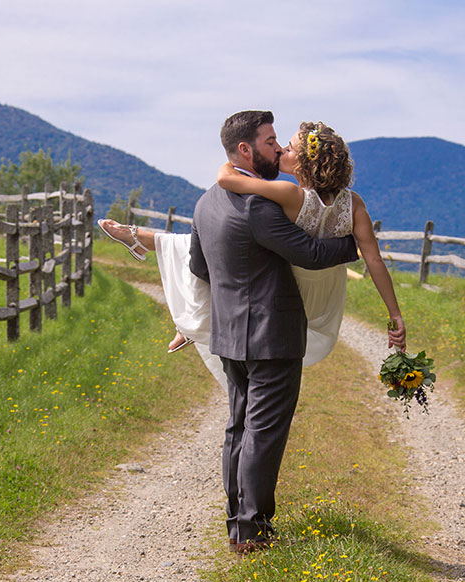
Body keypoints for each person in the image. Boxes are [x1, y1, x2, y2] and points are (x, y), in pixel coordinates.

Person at [98, 121, 407, 380]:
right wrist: (395, 315)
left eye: (288, 147)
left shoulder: (289, 193)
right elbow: (376, 262)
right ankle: (185, 310)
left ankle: (166, 271)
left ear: (303, 162)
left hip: (290, 292)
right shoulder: (354, 204)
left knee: (225, 246)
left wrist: (234, 156)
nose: (280, 151)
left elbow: (225, 180)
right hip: (325, 300)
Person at [190, 110, 359, 554]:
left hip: (230, 335)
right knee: (263, 434)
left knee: (239, 429)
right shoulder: (258, 206)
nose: (277, 147)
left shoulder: (205, 202)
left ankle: (237, 521)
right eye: (269, 142)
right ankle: (252, 532)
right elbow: (309, 253)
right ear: (245, 149)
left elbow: (197, 267)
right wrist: (353, 241)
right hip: (273, 335)